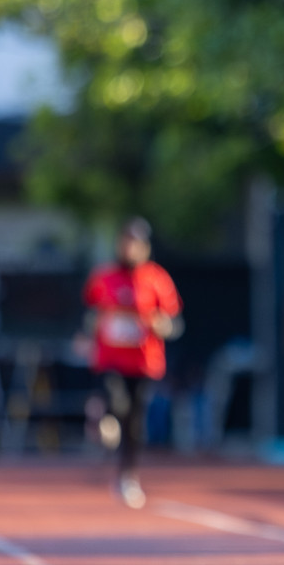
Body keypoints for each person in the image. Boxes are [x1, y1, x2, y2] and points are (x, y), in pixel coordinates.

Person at [83, 217, 181, 508]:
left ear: (145, 247)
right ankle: (105, 419)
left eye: (136, 243)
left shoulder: (157, 279)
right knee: (118, 403)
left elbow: (173, 322)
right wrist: (93, 326)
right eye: (125, 241)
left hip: (143, 360)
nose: (130, 248)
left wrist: (161, 326)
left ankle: (128, 476)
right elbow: (89, 314)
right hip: (111, 357)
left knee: (135, 422)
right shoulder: (103, 278)